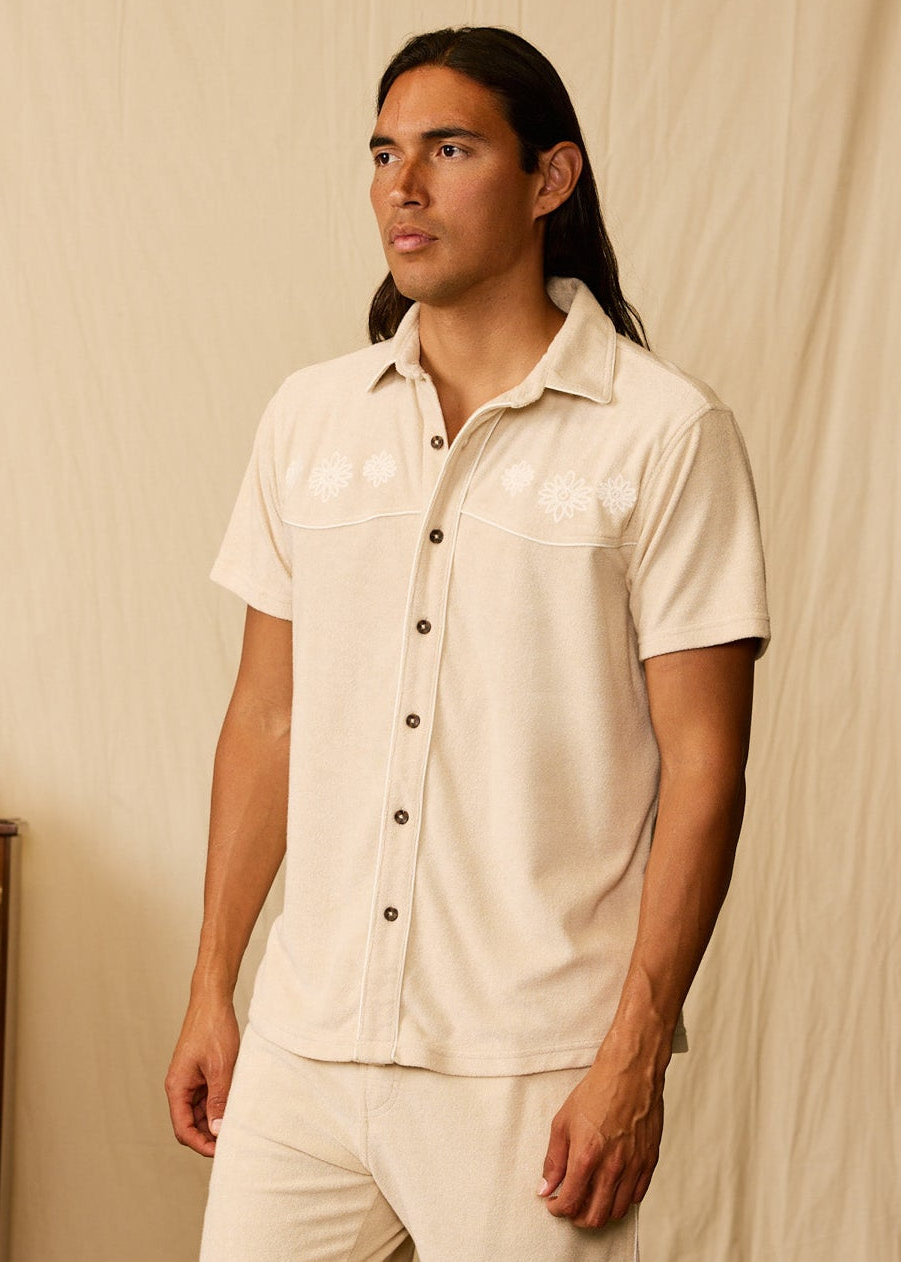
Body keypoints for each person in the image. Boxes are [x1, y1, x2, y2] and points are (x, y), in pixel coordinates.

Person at [166, 25, 770, 1262]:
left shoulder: (661, 435)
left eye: (449, 148)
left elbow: (705, 767)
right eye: (386, 152)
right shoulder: (308, 419)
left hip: (530, 1071)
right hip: (305, 1043)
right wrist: (214, 983)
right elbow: (265, 719)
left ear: (551, 179)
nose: (403, 183)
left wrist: (633, 1054)